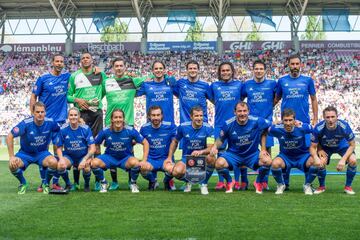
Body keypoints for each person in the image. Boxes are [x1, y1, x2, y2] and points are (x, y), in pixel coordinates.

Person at [275, 53, 318, 190]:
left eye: (296, 64)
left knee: (306, 152)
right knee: (285, 150)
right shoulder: (282, 81)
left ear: (301, 65)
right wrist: (269, 114)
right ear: (288, 65)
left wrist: (315, 118)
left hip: (302, 124)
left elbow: (314, 99)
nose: (294, 66)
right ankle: (285, 183)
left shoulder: (307, 80)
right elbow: (276, 99)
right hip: (285, 124)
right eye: (292, 64)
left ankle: (308, 184)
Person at [102, 57, 145, 190]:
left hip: (128, 122)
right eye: (116, 66)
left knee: (129, 151)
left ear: (125, 67)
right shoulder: (106, 82)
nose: (119, 68)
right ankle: (114, 181)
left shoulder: (132, 81)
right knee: (112, 151)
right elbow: (98, 96)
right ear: (113, 68)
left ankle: (131, 181)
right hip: (110, 121)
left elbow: (149, 77)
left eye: (121, 65)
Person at [211, 101, 272, 194]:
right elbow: (220, 139)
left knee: (268, 161)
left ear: (248, 111)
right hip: (233, 155)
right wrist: (215, 147)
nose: (242, 113)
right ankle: (230, 182)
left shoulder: (256, 121)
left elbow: (270, 126)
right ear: (234, 112)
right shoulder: (228, 124)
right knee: (219, 163)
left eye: (244, 111)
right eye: (239, 111)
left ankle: (258, 182)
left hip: (252, 155)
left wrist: (263, 148)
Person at [30, 54, 70, 191]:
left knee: (58, 151)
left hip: (60, 121)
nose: (59, 63)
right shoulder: (43, 78)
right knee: (43, 152)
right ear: (52, 63)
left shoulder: (67, 77)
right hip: (44, 121)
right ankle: (43, 182)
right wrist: (33, 115)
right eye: (57, 61)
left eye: (61, 61)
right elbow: (33, 96)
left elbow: (82, 73)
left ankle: (55, 182)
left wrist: (96, 69)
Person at [67, 52, 106, 191]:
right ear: (80, 61)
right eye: (82, 58)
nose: (85, 60)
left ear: (91, 60)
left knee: (97, 145)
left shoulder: (100, 74)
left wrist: (93, 102)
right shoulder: (74, 76)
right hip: (81, 114)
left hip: (96, 113)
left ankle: (98, 180)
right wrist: (78, 100)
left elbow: (105, 91)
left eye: (87, 58)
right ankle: (77, 182)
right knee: (81, 146)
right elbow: (68, 96)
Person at [90, 109, 149, 193]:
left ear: (123, 119)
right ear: (112, 119)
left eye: (120, 117)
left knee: (136, 163)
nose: (118, 119)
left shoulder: (130, 130)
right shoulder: (105, 131)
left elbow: (145, 142)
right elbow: (93, 143)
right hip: (109, 157)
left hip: (125, 158)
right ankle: (104, 183)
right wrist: (93, 155)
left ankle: (133, 183)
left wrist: (144, 160)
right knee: (94, 163)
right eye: (115, 117)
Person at [7, 102, 60, 194]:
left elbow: (60, 130)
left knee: (54, 162)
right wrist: (11, 157)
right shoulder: (26, 123)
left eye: (42, 112)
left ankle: (45, 183)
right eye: (37, 112)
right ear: (33, 113)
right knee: (12, 165)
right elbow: (9, 136)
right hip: (25, 154)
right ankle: (23, 183)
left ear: (45, 112)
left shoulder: (51, 122)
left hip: (42, 153)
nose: (40, 114)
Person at [209, 62, 246, 191]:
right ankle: (221, 181)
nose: (225, 72)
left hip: (236, 124)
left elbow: (241, 100)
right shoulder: (214, 86)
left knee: (236, 151)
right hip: (220, 123)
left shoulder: (239, 85)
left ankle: (236, 180)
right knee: (219, 152)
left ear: (232, 71)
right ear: (220, 72)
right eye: (223, 70)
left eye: (228, 70)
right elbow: (213, 99)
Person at [241, 59, 277, 190]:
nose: (258, 71)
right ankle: (244, 181)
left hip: (266, 124)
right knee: (244, 151)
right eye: (256, 68)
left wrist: (270, 107)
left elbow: (277, 97)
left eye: (261, 69)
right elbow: (241, 100)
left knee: (266, 152)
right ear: (253, 70)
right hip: (250, 126)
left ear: (265, 70)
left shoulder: (272, 83)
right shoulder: (247, 84)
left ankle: (263, 181)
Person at [164, 106, 215, 195]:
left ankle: (204, 184)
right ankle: (189, 181)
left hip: (202, 158)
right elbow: (175, 141)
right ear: (191, 117)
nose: (199, 118)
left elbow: (210, 147)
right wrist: (169, 157)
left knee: (211, 157)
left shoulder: (208, 128)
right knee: (177, 171)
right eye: (196, 116)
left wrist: (200, 152)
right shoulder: (183, 127)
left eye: (201, 116)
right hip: (186, 158)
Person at [268, 108, 318, 195]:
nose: (288, 123)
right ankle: (281, 185)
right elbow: (267, 130)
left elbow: (314, 130)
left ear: (295, 120)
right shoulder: (276, 129)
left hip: (302, 157)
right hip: (286, 157)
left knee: (316, 162)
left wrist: (319, 150)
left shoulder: (302, 127)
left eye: (290, 120)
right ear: (282, 120)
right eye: (285, 120)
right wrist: (275, 123)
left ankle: (307, 185)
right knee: (274, 164)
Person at [310, 106, 357, 195]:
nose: (330, 120)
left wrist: (343, 160)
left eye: (333, 117)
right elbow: (312, 147)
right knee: (320, 162)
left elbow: (352, 145)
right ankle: (321, 186)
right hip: (326, 147)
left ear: (337, 117)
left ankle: (348, 187)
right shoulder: (318, 127)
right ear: (324, 118)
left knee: (353, 160)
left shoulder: (344, 126)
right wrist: (317, 155)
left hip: (341, 146)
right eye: (327, 117)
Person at [55, 107, 95, 192]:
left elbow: (92, 148)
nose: (73, 117)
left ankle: (86, 184)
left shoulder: (85, 128)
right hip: (69, 157)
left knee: (87, 167)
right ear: (68, 117)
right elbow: (58, 147)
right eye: (71, 115)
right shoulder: (63, 129)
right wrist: (61, 159)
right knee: (60, 165)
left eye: (75, 115)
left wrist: (85, 159)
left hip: (82, 156)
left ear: (79, 116)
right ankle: (68, 184)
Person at [139, 106, 177, 190]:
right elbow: (140, 141)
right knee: (142, 168)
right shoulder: (144, 128)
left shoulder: (170, 126)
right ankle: (153, 181)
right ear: (149, 116)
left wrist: (170, 157)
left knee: (174, 170)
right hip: (151, 159)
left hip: (165, 159)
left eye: (158, 115)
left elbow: (175, 142)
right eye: (153, 115)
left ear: (162, 116)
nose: (156, 117)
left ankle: (166, 181)